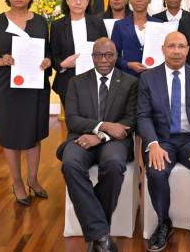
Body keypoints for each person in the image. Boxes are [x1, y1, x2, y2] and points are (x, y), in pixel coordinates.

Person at [57, 37, 138, 252]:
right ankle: (102, 234)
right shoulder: (76, 82)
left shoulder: (130, 82)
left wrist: (101, 136)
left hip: (114, 142)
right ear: (92, 57)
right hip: (81, 137)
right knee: (70, 163)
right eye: (99, 55)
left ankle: (96, 233)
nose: (104, 59)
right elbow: (72, 119)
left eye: (109, 55)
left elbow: (131, 120)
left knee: (113, 164)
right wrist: (102, 125)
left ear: (116, 56)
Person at [138, 31, 190, 252]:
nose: (176, 51)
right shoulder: (148, 77)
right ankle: (164, 223)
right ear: (163, 49)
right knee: (155, 171)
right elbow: (143, 116)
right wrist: (152, 144)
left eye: (181, 46)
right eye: (171, 46)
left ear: (188, 50)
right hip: (162, 140)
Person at [0, 0, 51, 205]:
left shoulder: (40, 22)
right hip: (7, 88)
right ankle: (17, 182)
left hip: (35, 85)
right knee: (11, 136)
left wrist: (47, 60)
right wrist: (0, 61)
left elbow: (46, 51)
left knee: (34, 133)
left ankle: (33, 179)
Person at [50, 0, 107, 107]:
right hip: (67, 82)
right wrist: (63, 64)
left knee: (94, 122)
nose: (78, 2)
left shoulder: (97, 23)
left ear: (88, 2)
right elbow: (53, 55)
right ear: (67, 0)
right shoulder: (57, 26)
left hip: (95, 81)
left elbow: (107, 50)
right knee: (73, 123)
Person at [111, 0, 162, 77]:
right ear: (129, 0)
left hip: (154, 77)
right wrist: (128, 64)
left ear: (149, 0)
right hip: (128, 78)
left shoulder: (159, 24)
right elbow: (113, 55)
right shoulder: (119, 25)